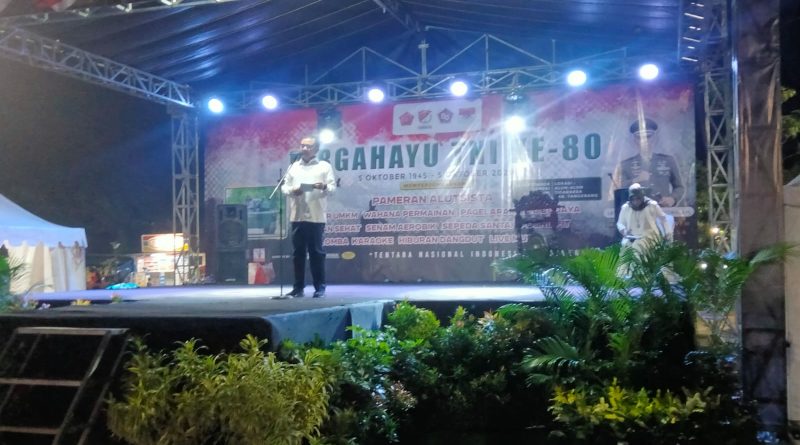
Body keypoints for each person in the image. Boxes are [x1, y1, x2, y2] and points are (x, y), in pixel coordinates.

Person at [279, 136, 336, 298]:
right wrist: (293, 190)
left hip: (316, 216)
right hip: (297, 216)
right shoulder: (293, 166)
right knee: (298, 254)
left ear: (316, 149)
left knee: (316, 252)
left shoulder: (324, 166)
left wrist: (324, 186)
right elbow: (284, 187)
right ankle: (298, 288)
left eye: (308, 146)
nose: (304, 149)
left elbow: (332, 188)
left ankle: (320, 287)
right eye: (302, 146)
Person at [610, 117, 684, 207]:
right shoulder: (625, 165)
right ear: (634, 140)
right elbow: (619, 188)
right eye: (640, 138)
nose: (645, 141)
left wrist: (672, 198)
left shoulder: (668, 161)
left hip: (662, 210)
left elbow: (679, 187)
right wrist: (636, 180)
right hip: (636, 211)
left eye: (648, 137)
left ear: (654, 138)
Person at [616, 183, 671, 254]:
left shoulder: (652, 205)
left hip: (650, 238)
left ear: (642, 197)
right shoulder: (626, 208)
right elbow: (620, 223)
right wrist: (624, 231)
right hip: (631, 238)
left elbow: (663, 219)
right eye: (633, 199)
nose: (636, 201)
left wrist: (667, 232)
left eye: (638, 198)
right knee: (625, 252)